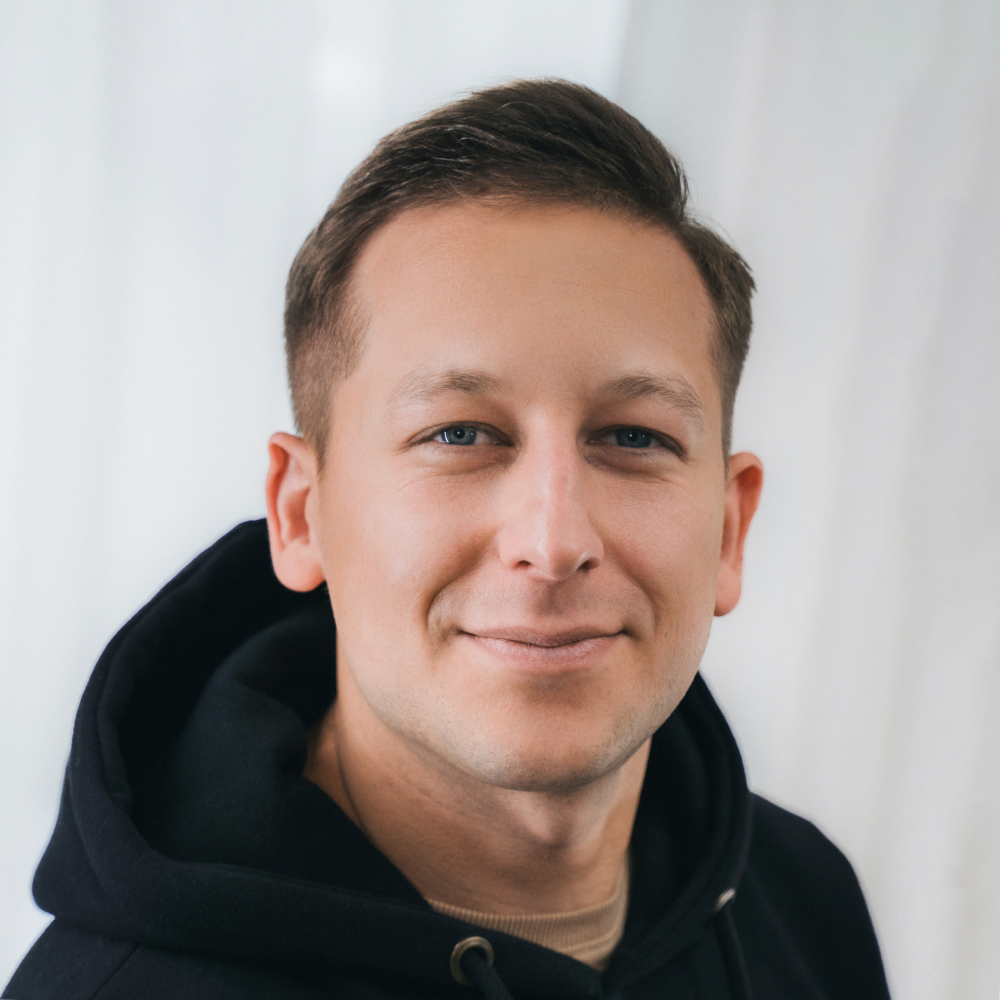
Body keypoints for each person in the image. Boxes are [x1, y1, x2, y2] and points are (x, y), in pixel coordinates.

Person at [4, 79, 891, 1000]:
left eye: (634, 437)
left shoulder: (804, 905)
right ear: (301, 514)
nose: (553, 541)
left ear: (730, 530)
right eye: (460, 434)